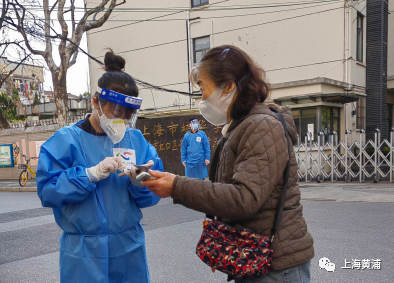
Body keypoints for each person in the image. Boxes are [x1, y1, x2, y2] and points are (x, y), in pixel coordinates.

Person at [142, 45, 314, 282]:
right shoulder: (240, 127)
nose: (201, 96)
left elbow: (244, 198)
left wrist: (176, 186)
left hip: (276, 265)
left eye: (203, 86)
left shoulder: (261, 126)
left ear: (229, 86)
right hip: (255, 255)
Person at [36, 51, 163, 283]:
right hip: (84, 252)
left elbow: (152, 193)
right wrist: (90, 174)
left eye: (127, 116)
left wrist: (141, 179)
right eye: (115, 113)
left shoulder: (134, 139)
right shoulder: (66, 140)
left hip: (129, 247)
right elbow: (48, 191)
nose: (121, 121)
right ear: (96, 102)